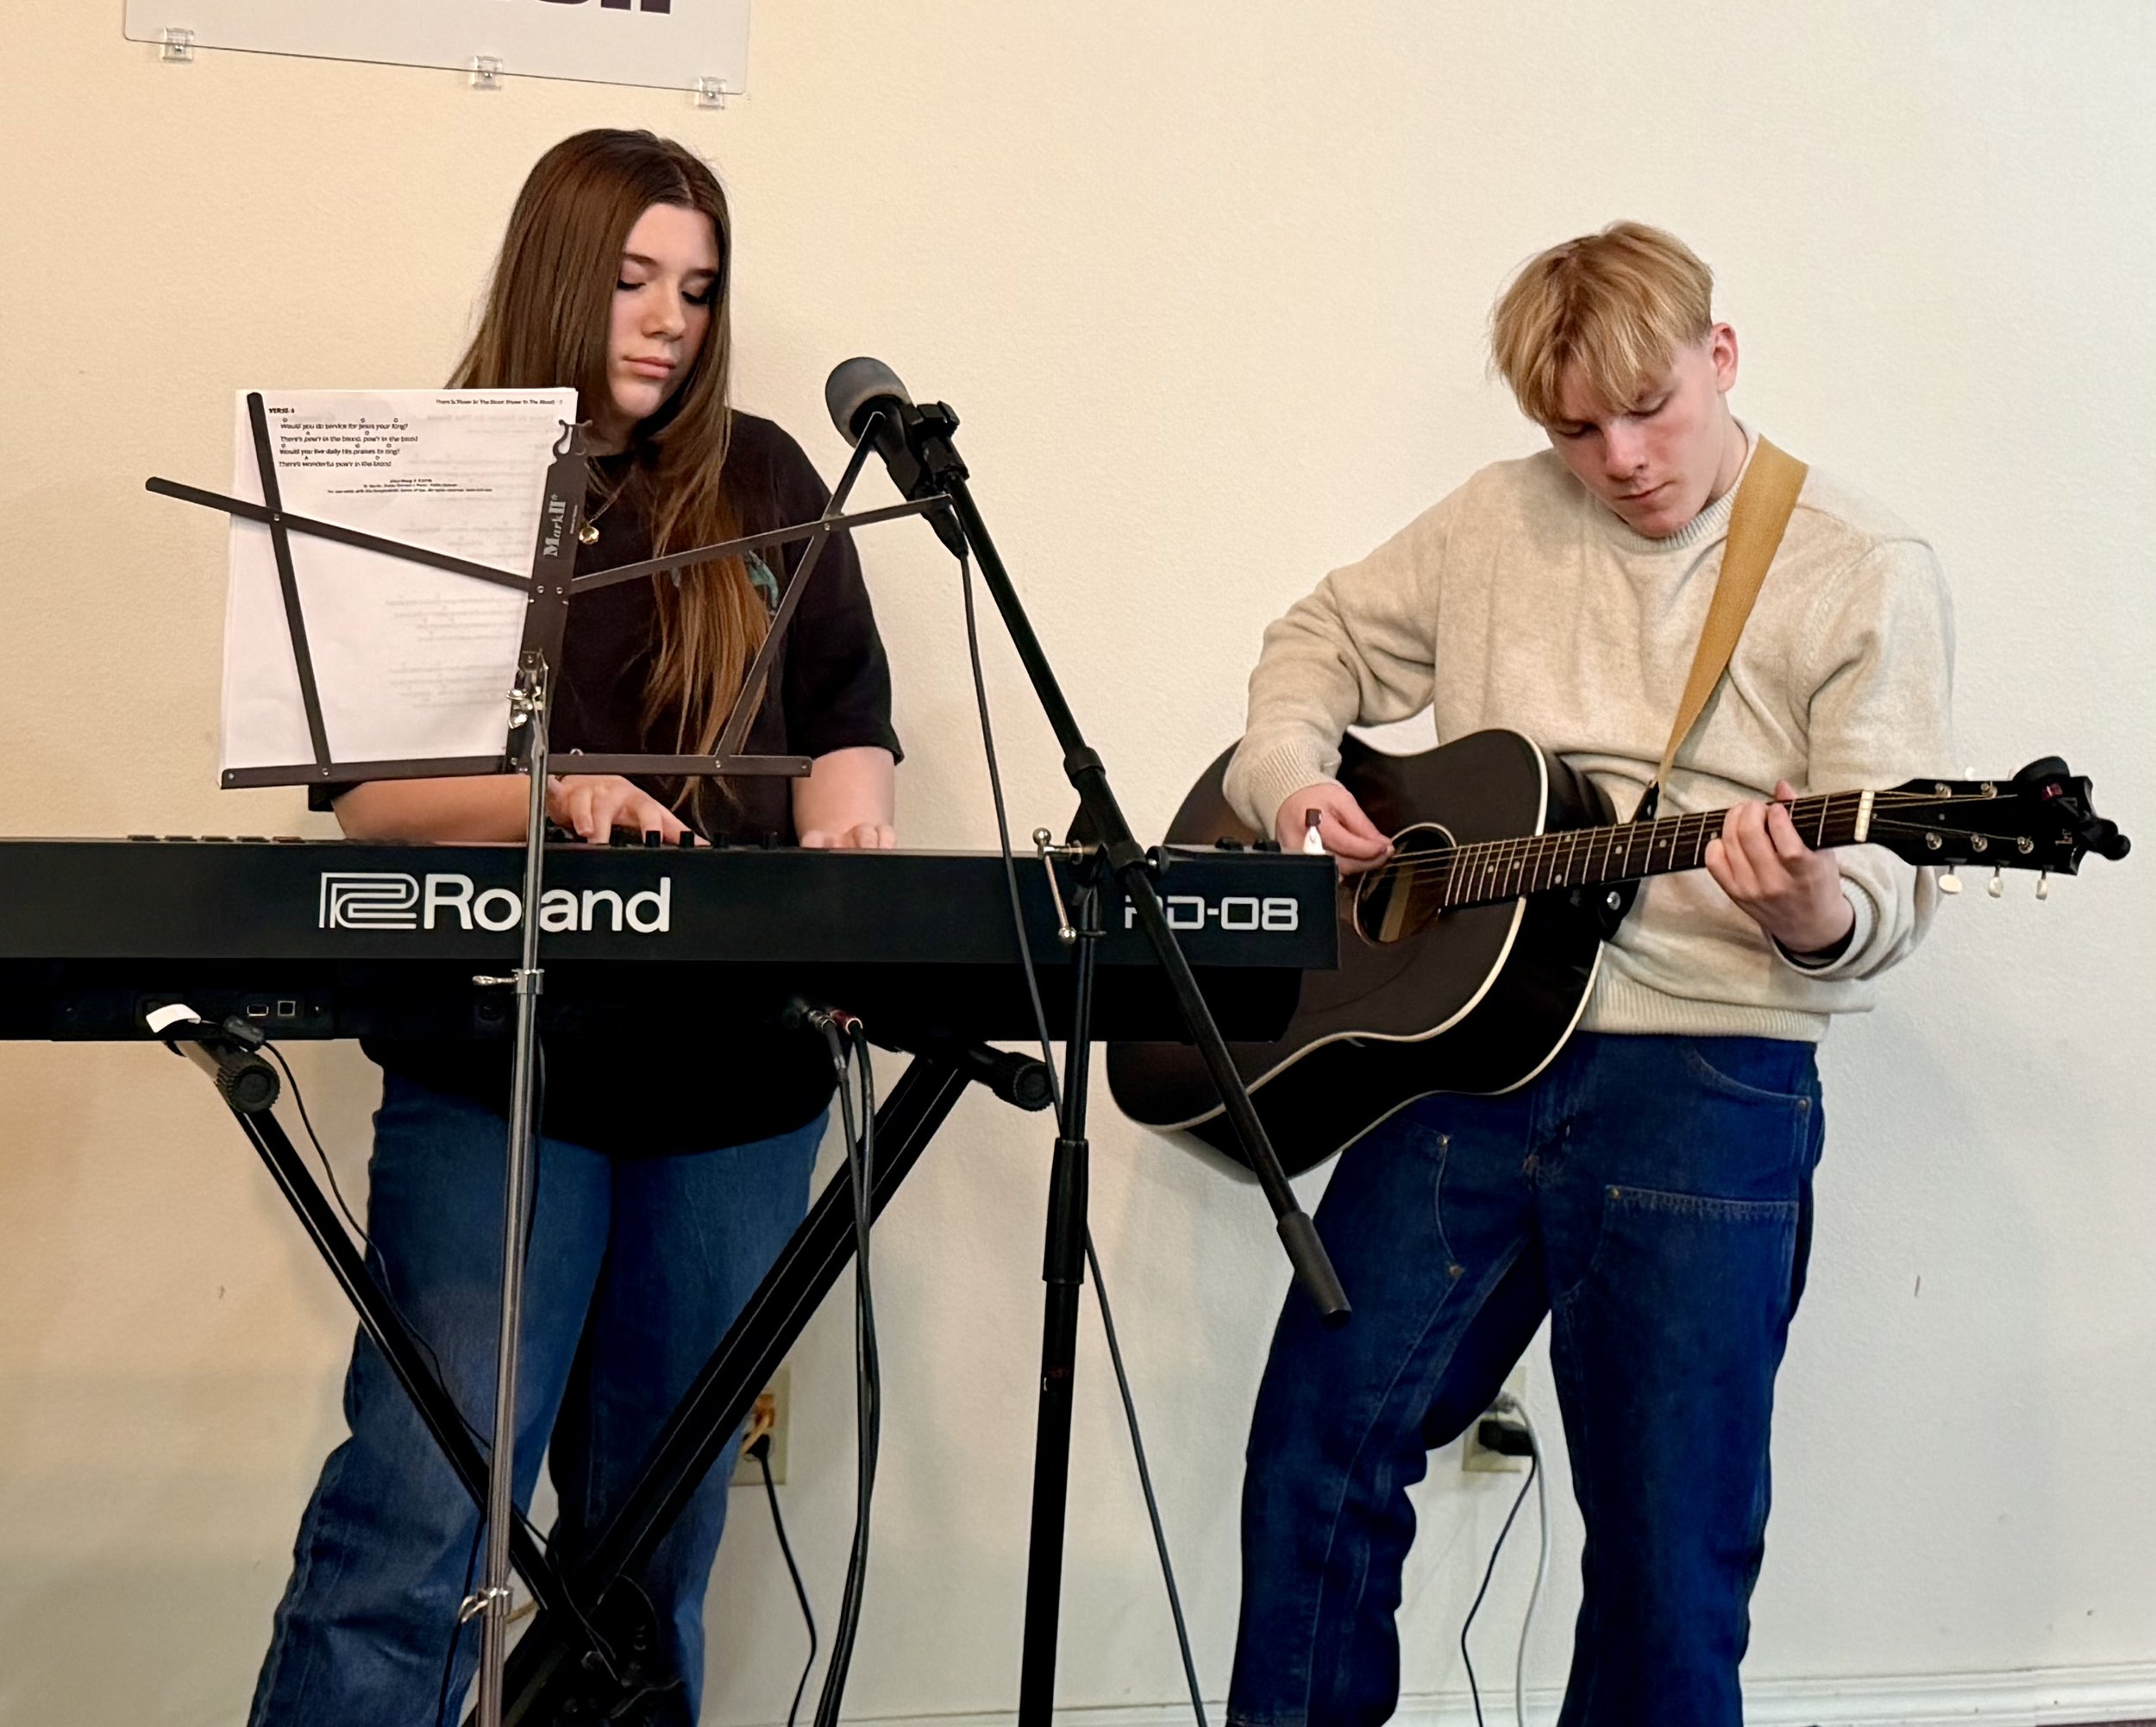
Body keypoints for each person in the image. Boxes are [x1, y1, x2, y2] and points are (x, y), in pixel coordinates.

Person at [1221, 222, 1953, 1726]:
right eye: (1575, 427)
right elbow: (1318, 638)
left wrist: (1813, 904)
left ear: (1722, 355)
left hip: (1709, 1076)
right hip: (1465, 1062)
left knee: (1668, 1562)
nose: (1618, 457)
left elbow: (1887, 878)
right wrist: (1292, 779)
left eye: (1652, 409)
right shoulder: (1498, 518)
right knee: (1316, 1454)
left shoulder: (1860, 567)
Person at [248, 129, 900, 1727]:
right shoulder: (439, 466)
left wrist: (848, 838)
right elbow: (376, 801)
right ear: (559, 265)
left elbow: (843, 725)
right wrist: (566, 794)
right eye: (631, 279)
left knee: (654, 1548)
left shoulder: (762, 477)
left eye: (696, 287)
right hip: (502, 1067)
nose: (669, 319)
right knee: (421, 1516)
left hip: (736, 1085)